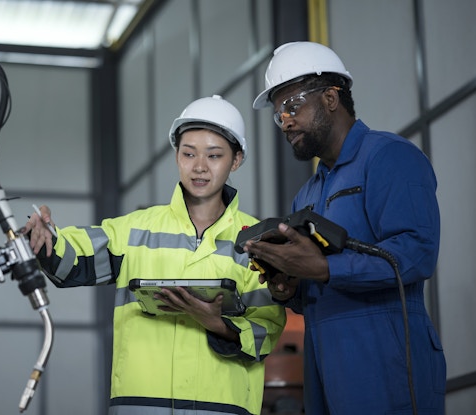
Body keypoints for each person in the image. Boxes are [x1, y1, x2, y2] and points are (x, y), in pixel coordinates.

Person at [24, 95, 286, 415]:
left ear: (236, 160)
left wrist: (219, 325)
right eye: (189, 154)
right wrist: (46, 235)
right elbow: (72, 257)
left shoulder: (256, 241)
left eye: (214, 155)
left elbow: (267, 330)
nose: (199, 166)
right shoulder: (135, 231)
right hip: (140, 406)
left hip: (220, 408)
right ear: (177, 156)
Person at [243, 41, 446, 414]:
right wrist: (290, 287)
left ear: (331, 98)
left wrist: (324, 268)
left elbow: (417, 253)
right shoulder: (307, 193)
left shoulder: (389, 157)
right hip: (323, 368)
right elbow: (316, 290)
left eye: (292, 106)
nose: (285, 121)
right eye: (278, 115)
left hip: (387, 360)